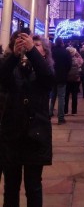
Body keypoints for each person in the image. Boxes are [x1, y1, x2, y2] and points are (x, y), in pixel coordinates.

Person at [0, 32, 54, 207]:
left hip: (35, 135)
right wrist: (14, 56)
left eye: (37, 45)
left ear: (44, 52)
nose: (31, 46)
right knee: (11, 186)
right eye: (30, 44)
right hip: (12, 135)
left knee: (33, 187)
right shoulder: (12, 67)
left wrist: (32, 52)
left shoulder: (45, 69)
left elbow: (48, 79)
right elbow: (2, 79)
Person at [49, 37, 72, 124]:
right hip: (62, 77)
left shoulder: (51, 52)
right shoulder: (66, 52)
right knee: (61, 97)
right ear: (62, 43)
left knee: (53, 96)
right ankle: (61, 118)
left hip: (53, 77)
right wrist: (65, 72)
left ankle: (50, 112)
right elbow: (69, 65)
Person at [64, 46, 83, 115]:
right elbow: (82, 61)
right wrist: (77, 54)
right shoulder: (77, 59)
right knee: (74, 95)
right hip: (76, 78)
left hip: (67, 78)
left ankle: (65, 110)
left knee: (66, 95)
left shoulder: (65, 59)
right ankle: (74, 111)